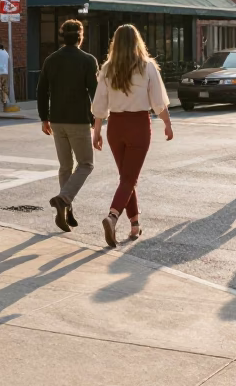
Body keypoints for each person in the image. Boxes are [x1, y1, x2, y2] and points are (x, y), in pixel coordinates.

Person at [92, 24, 174, 247]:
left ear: (115, 44)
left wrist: (97, 131)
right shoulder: (147, 67)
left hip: (115, 126)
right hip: (138, 124)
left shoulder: (108, 68)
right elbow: (158, 101)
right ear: (137, 41)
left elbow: (99, 103)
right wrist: (167, 123)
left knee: (126, 178)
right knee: (129, 178)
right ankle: (112, 216)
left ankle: (135, 224)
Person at [36, 19, 99, 232]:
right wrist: (97, 118)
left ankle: (66, 209)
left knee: (65, 166)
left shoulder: (51, 60)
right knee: (86, 164)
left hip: (57, 120)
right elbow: (94, 92)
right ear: (81, 37)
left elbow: (41, 90)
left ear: (62, 37)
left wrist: (44, 118)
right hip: (78, 120)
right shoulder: (88, 60)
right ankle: (64, 199)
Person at [0, 43, 12, 112]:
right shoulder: (6, 53)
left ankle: (2, 99)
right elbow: (8, 60)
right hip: (5, 72)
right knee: (5, 86)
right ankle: (5, 98)